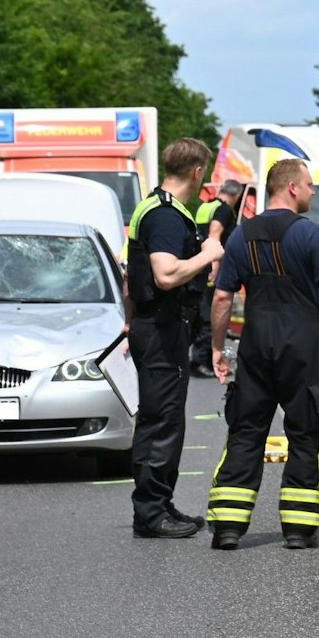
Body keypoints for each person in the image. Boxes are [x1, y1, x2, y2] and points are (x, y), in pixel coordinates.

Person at [206, 158, 319, 550]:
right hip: (303, 345)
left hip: (256, 343)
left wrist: (218, 348)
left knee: (246, 430)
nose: (313, 191)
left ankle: (228, 526)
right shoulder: (310, 235)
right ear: (291, 187)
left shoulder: (240, 236)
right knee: (306, 432)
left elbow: (223, 296)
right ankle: (299, 528)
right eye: (309, 184)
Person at [126, 138, 225, 540]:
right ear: (199, 171)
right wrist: (208, 253)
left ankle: (159, 504)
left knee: (163, 418)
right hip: (162, 329)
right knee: (162, 421)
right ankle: (151, 513)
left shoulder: (153, 205)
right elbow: (165, 275)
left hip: (155, 327)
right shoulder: (167, 216)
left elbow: (132, 276)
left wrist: (130, 320)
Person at [189, 180, 245, 377]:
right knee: (210, 316)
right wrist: (214, 265)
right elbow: (214, 234)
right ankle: (202, 361)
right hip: (212, 267)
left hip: (198, 266)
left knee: (202, 314)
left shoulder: (205, 206)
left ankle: (198, 358)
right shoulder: (224, 210)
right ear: (237, 196)